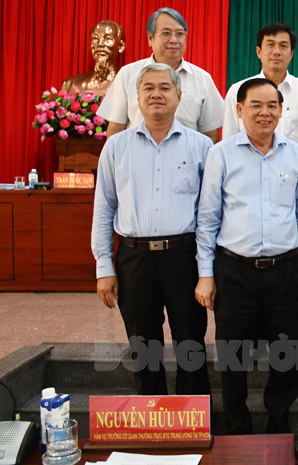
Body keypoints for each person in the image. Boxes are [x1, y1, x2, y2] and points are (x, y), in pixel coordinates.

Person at [194, 78, 298, 465]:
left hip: (285, 270)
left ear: (281, 111)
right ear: (239, 110)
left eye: (272, 105)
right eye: (255, 105)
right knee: (232, 358)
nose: (264, 112)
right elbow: (207, 220)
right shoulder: (221, 154)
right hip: (235, 271)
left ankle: (279, 434)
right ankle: (237, 437)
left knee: (288, 356)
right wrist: (205, 274)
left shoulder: (295, 154)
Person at [91, 63, 212, 397]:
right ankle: (151, 415)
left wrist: (207, 271)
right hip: (134, 258)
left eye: (164, 87)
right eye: (148, 88)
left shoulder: (201, 146)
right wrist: (104, 267)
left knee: (191, 342)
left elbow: (208, 215)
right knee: (142, 346)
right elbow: (104, 209)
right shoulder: (116, 147)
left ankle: (192, 417)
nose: (156, 94)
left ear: (179, 96)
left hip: (183, 257)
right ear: (137, 96)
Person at [97, 7, 224, 142]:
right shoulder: (127, 74)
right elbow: (116, 129)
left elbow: (210, 134)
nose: (174, 40)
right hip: (138, 153)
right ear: (150, 38)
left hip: (187, 155)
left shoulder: (202, 79)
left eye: (180, 34)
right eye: (166, 33)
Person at [222, 22, 298, 171]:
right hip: (247, 175)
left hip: (293, 177)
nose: (277, 52)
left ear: (291, 54)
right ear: (258, 52)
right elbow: (229, 140)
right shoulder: (237, 91)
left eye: (283, 46)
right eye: (270, 45)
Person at [61, 20, 125, 95]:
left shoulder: (129, 85)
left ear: (121, 46)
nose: (100, 44)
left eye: (107, 39)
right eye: (95, 38)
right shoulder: (70, 85)